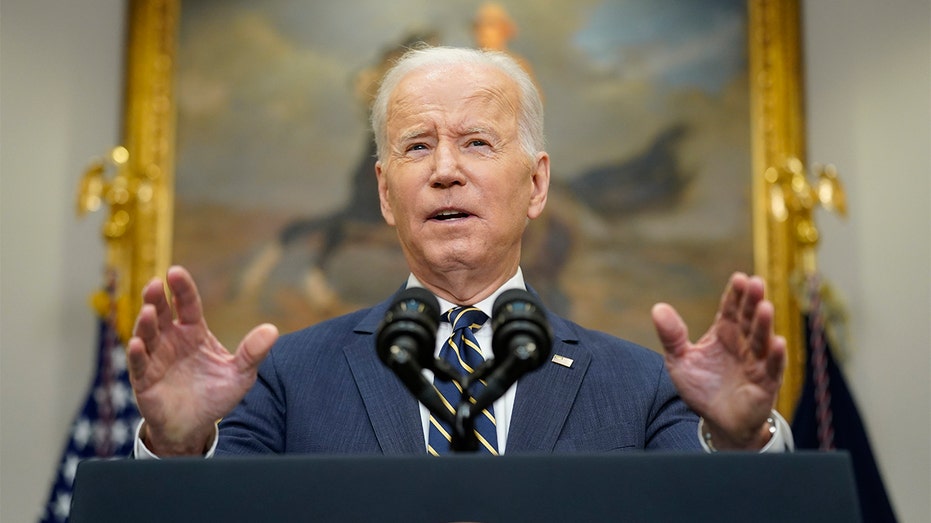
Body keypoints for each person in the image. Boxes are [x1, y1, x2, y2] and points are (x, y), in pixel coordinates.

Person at [127, 45, 790, 458]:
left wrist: (736, 441)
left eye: (476, 141)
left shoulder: (645, 389)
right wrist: (178, 447)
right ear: (385, 194)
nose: (444, 169)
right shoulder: (285, 379)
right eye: (417, 145)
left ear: (535, 184)